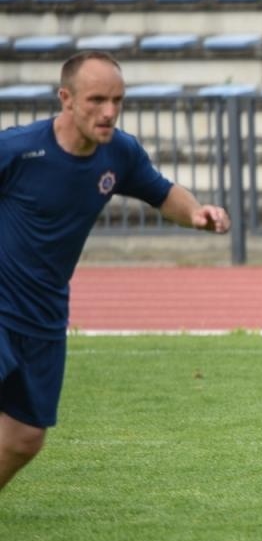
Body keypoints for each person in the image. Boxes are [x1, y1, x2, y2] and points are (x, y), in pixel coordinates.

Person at [0, 51, 231, 493]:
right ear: (66, 99)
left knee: (26, 438)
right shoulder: (18, 150)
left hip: (44, 313)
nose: (108, 112)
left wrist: (197, 212)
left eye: (117, 100)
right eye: (97, 100)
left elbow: (162, 193)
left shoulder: (118, 154)